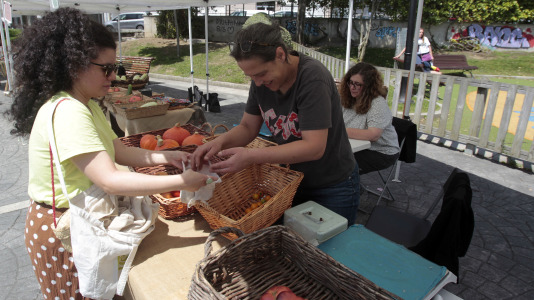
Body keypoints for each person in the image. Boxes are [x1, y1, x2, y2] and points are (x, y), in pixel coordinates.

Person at [6, 8, 215, 299]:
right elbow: (110, 180)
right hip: (64, 228)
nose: (114, 76)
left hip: (83, 219)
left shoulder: (88, 104)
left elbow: (119, 152)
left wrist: (167, 157)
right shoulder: (69, 112)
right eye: (105, 68)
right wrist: (182, 182)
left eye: (115, 68)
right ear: (73, 66)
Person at [191, 22, 359, 224]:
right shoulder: (260, 81)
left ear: (280, 54)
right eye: (251, 76)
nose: (258, 83)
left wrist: (251, 157)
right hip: (291, 180)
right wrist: (218, 143)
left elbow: (314, 147)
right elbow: (248, 127)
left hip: (332, 185)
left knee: (331, 250)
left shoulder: (312, 78)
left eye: (261, 74)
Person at [339, 62, 400, 175]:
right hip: (357, 146)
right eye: (350, 82)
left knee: (338, 163)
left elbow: (373, 135)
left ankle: (351, 190)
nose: (352, 87)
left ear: (368, 86)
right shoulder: (348, 99)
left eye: (357, 84)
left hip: (381, 152)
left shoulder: (377, 103)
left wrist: (339, 130)